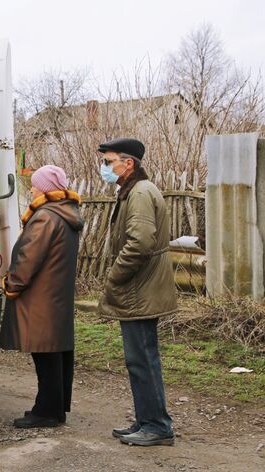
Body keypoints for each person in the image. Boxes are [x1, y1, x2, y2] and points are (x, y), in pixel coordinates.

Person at [97, 138, 178, 447]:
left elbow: (140, 243)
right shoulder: (134, 191)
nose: (105, 168)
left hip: (139, 290)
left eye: (109, 162)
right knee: (141, 360)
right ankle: (148, 420)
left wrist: (115, 276)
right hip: (140, 290)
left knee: (142, 359)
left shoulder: (141, 193)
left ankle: (157, 426)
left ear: (128, 164)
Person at [0, 165, 83, 428]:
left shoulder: (46, 217)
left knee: (45, 355)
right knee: (56, 353)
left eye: (36, 185)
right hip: (55, 295)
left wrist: (11, 284)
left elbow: (28, 258)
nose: (33, 188)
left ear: (45, 188)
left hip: (40, 297)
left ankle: (46, 411)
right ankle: (54, 408)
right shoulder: (66, 213)